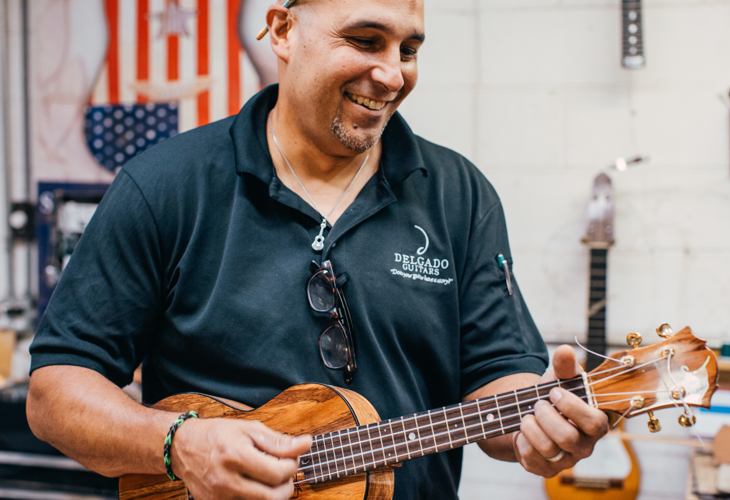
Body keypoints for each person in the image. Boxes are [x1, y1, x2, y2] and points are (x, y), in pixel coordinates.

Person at [26, 0, 609, 499]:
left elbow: (496, 376)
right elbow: (56, 393)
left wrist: (543, 427)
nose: (391, 75)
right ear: (283, 31)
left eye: (408, 49)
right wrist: (179, 443)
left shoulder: (460, 195)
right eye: (364, 40)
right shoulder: (165, 186)